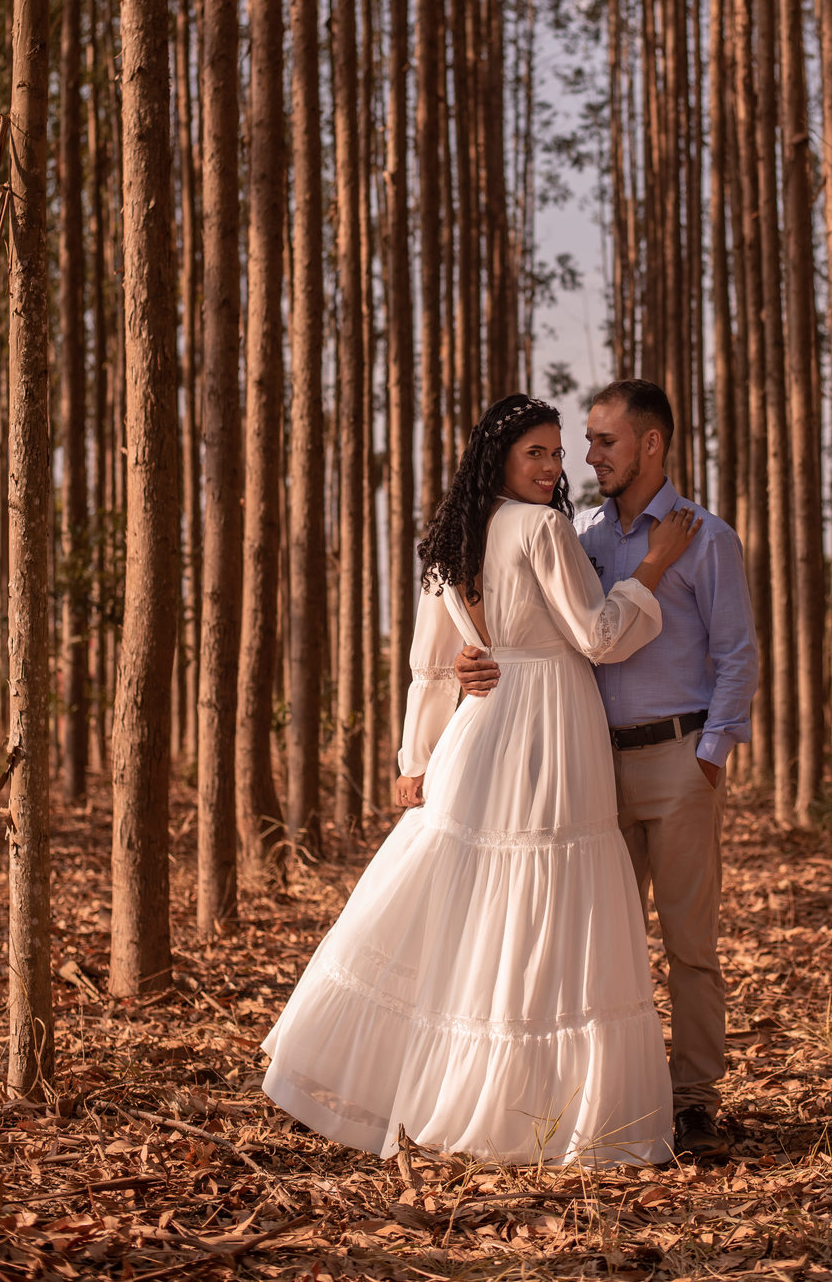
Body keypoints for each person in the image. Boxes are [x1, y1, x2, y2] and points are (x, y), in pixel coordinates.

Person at [261, 393, 701, 1167]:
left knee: (475, 909)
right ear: (498, 457)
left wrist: (417, 758)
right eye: (536, 452)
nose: (553, 467)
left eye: (557, 453)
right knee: (544, 909)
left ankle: (461, 1095)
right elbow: (599, 636)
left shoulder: (453, 538)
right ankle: (530, 1110)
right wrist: (653, 567)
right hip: (548, 728)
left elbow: (431, 669)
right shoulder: (542, 528)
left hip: (480, 729)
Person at [456, 380, 759, 1163]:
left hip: (679, 762)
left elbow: (737, 654)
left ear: (651, 444)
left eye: (603, 442)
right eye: (584, 443)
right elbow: (541, 625)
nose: (587, 458)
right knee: (595, 945)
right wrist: (474, 659)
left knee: (689, 947)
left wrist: (710, 756)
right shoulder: (580, 534)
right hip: (591, 767)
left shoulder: (707, 538)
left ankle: (694, 1103)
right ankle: (610, 1101)